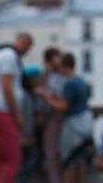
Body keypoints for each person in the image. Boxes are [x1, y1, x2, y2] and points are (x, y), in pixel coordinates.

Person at [35, 53, 92, 183]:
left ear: (65, 66)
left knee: (69, 161)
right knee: (80, 159)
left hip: (73, 126)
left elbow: (62, 106)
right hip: (83, 123)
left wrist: (46, 96)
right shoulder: (80, 80)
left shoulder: (70, 83)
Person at [0, 31, 33, 183]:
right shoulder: (9, 57)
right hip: (3, 112)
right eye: (28, 46)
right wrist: (17, 113)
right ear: (23, 42)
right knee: (13, 159)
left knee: (2, 158)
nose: (27, 51)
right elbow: (7, 86)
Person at [40, 47, 65, 183]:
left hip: (57, 119)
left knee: (55, 155)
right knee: (52, 155)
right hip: (51, 120)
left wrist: (46, 95)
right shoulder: (48, 76)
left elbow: (59, 96)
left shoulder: (60, 76)